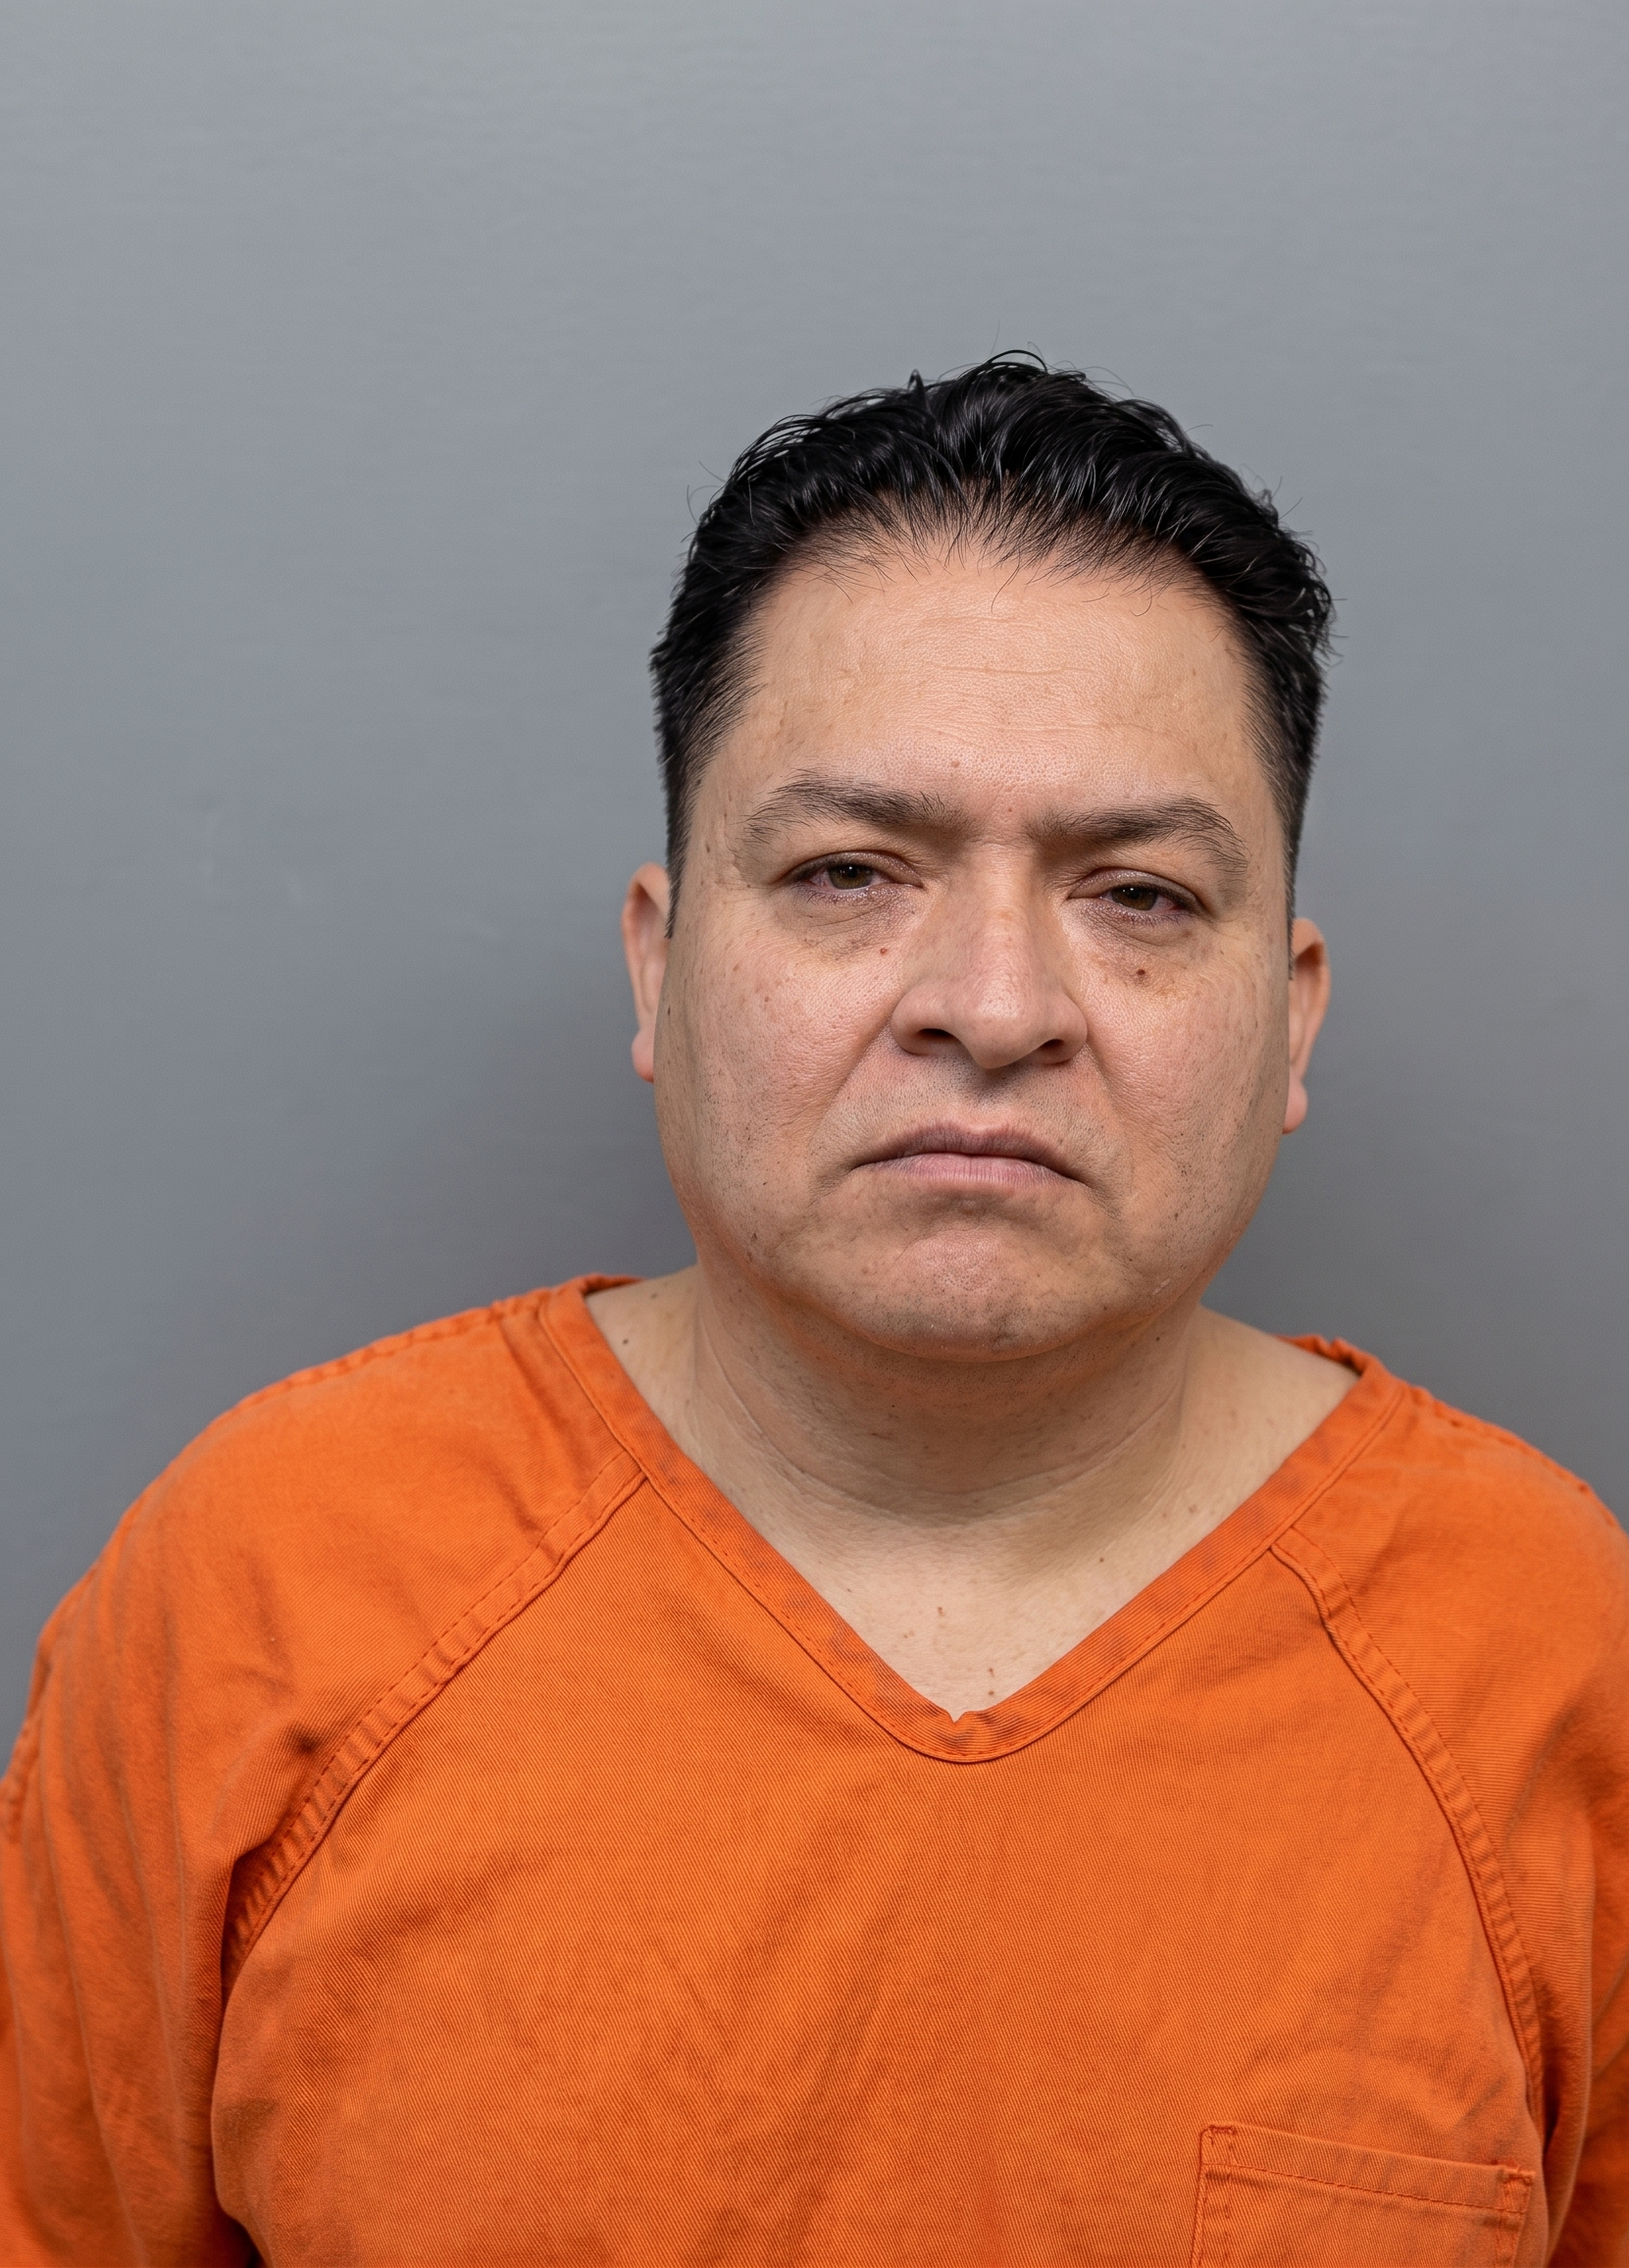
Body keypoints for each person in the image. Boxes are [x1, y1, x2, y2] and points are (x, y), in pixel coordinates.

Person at [2, 356, 1624, 2268]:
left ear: (1290, 1014)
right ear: (662, 961)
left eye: (1134, 893)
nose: (993, 1001)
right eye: (850, 873)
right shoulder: (265, 1588)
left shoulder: (1545, 1646)